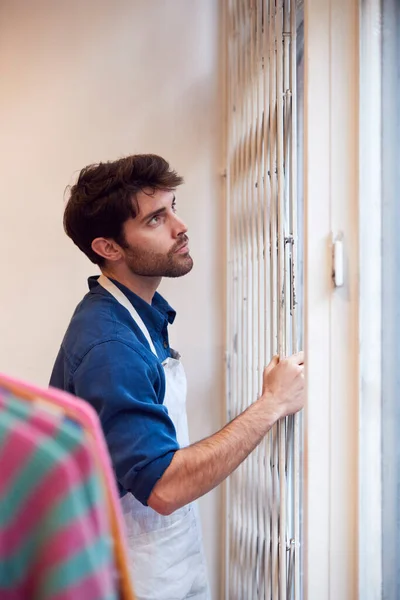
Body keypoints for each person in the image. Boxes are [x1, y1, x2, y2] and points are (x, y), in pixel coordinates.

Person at [50, 154, 305, 600]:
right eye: (155, 219)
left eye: (173, 207)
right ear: (108, 248)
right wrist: (272, 405)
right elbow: (164, 488)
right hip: (131, 573)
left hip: (159, 556)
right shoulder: (110, 345)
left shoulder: (133, 315)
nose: (180, 225)